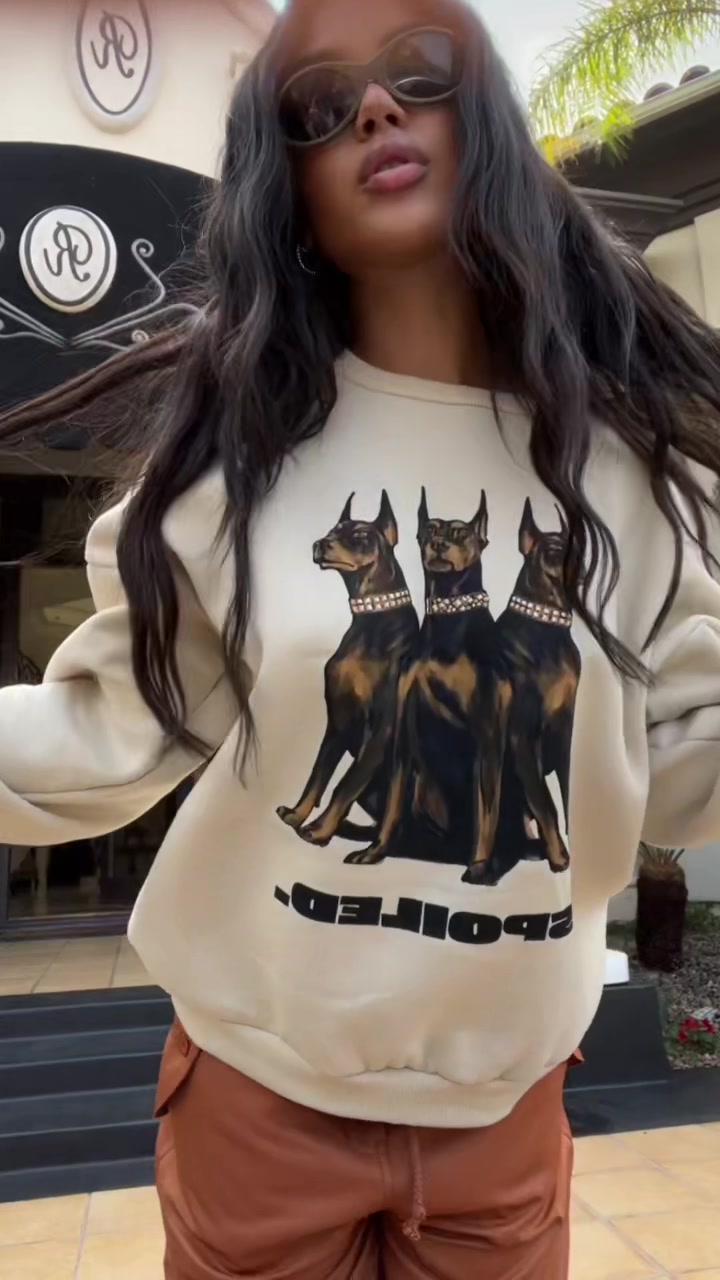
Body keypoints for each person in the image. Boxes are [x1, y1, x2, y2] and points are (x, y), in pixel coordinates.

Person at [2, 0, 720, 1275]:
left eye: (418, 71)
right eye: (318, 107)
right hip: (259, 1100)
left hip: (504, 1110)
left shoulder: (631, 469)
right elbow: (103, 737)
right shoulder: (238, 467)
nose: (375, 110)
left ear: (484, 118)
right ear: (284, 182)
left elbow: (680, 768)